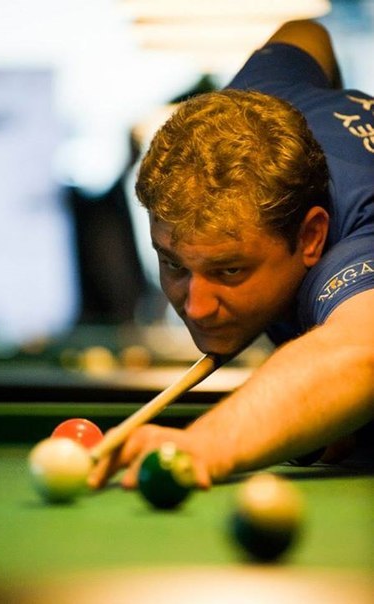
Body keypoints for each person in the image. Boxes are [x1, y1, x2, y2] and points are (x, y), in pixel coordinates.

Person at [96, 20, 374, 488]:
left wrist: (205, 446)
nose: (196, 307)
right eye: (174, 264)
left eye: (229, 270)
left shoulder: (354, 242)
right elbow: (305, 33)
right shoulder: (256, 104)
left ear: (311, 238)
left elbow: (360, 353)